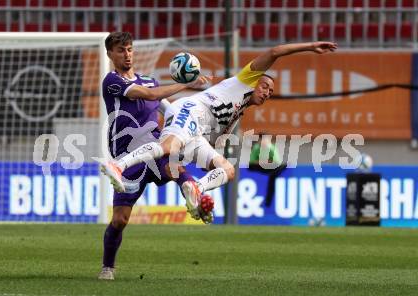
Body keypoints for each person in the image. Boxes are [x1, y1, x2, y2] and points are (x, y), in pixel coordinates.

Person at [99, 41, 338, 220]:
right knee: (168, 147)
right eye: (265, 86)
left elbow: (210, 149)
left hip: (198, 132)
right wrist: (311, 46)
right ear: (255, 81)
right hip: (191, 110)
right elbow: (275, 51)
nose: (266, 92)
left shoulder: (235, 117)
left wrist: (206, 167)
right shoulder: (245, 79)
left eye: (271, 93)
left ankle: (196, 190)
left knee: (227, 169)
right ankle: (117, 166)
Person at [97, 32, 210, 281]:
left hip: (155, 148)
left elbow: (167, 108)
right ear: (110, 54)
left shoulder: (150, 80)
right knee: (120, 220)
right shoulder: (111, 82)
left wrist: (191, 129)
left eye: (129, 49)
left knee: (173, 166)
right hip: (129, 158)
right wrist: (187, 84)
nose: (126, 54)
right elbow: (149, 96)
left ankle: (192, 189)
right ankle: (108, 266)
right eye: (120, 50)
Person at [248, 134, 287, 207]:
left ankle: (268, 202)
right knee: (251, 167)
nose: (263, 141)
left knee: (282, 167)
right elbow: (252, 162)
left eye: (265, 139)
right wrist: (264, 162)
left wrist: (261, 161)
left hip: (270, 169)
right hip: (260, 168)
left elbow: (276, 162)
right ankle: (273, 174)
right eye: (262, 139)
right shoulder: (256, 148)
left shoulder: (272, 148)